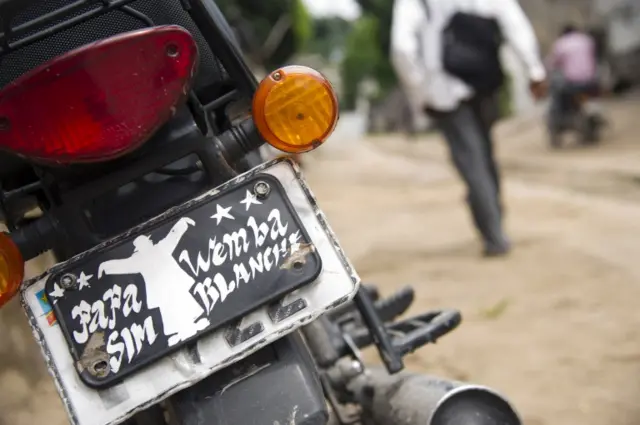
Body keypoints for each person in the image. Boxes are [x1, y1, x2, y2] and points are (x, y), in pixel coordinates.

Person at [390, 0, 547, 257]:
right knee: (485, 154)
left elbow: (402, 49)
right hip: (484, 84)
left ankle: (494, 234)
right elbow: (514, 24)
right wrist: (534, 69)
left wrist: (421, 94)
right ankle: (494, 218)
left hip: (445, 93)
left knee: (472, 162)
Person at [546, 24, 601, 136]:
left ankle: (561, 121)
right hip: (592, 82)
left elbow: (553, 63)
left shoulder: (561, 44)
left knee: (557, 94)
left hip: (572, 84)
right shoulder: (587, 40)